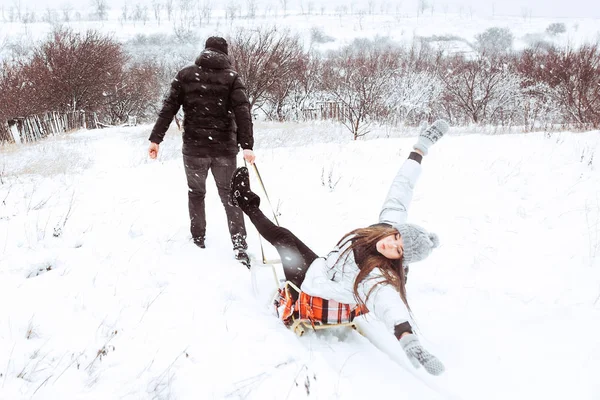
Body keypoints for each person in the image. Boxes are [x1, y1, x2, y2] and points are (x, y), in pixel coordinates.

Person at [230, 120, 449, 375]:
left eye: (398, 251)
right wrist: (421, 147)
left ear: (399, 261)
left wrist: (407, 337)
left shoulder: (376, 277)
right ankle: (246, 202)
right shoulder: (387, 226)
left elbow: (388, 304)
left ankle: (243, 201)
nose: (390, 244)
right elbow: (402, 188)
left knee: (282, 239)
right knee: (285, 236)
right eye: (397, 237)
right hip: (323, 268)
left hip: (316, 290)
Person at [148, 36, 256, 266]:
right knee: (230, 197)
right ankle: (239, 244)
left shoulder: (186, 75)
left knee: (196, 193)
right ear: (225, 54)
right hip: (224, 150)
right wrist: (247, 145)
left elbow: (168, 108)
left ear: (205, 51)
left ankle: (198, 238)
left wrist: (156, 139)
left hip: (194, 149)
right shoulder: (231, 78)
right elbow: (243, 113)